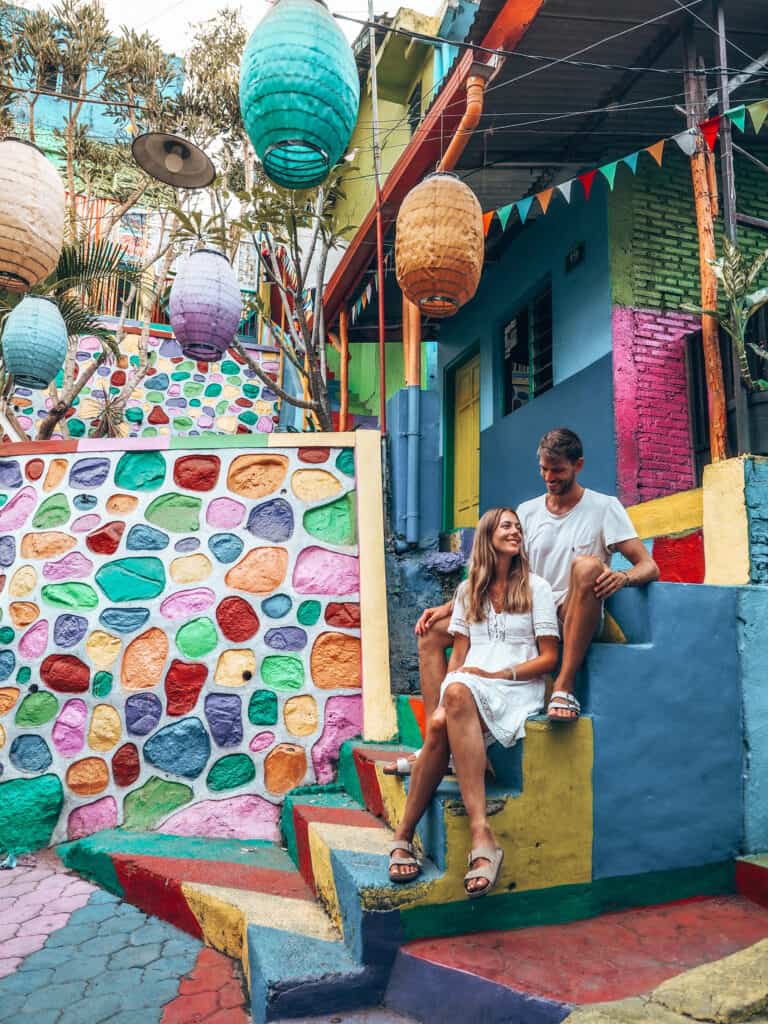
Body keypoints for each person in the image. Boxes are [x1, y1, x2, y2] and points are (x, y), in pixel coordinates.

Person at [387, 428, 658, 776]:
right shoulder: (527, 512)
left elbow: (648, 565)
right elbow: (499, 566)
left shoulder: (605, 507)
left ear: (578, 465)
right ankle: (436, 746)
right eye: (543, 469)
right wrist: (453, 607)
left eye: (557, 470)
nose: (549, 477)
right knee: (430, 633)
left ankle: (564, 685)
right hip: (521, 610)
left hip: (571, 610)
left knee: (588, 565)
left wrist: (622, 578)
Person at [388, 507, 559, 897]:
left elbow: (548, 658)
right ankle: (479, 837)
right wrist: (456, 685)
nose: (515, 531)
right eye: (506, 526)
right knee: (444, 711)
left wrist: (498, 676)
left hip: (516, 684)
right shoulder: (469, 592)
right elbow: (460, 658)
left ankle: (405, 836)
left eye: (518, 526)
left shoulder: (538, 588)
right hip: (469, 684)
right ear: (487, 536)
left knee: (442, 717)